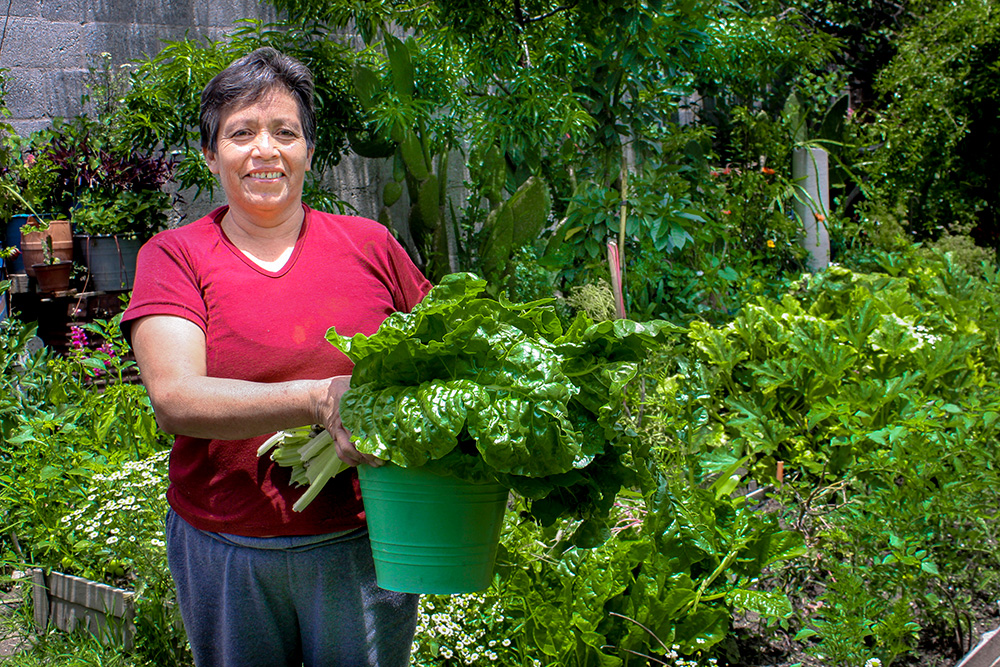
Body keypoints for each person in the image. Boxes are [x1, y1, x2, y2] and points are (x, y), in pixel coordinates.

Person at [121, 47, 431, 667]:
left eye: (284, 132)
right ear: (211, 155)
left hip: (364, 545)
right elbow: (175, 397)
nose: (265, 149)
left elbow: (439, 360)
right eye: (241, 133)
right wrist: (319, 400)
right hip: (226, 546)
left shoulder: (370, 244)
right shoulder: (175, 255)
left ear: (309, 152)